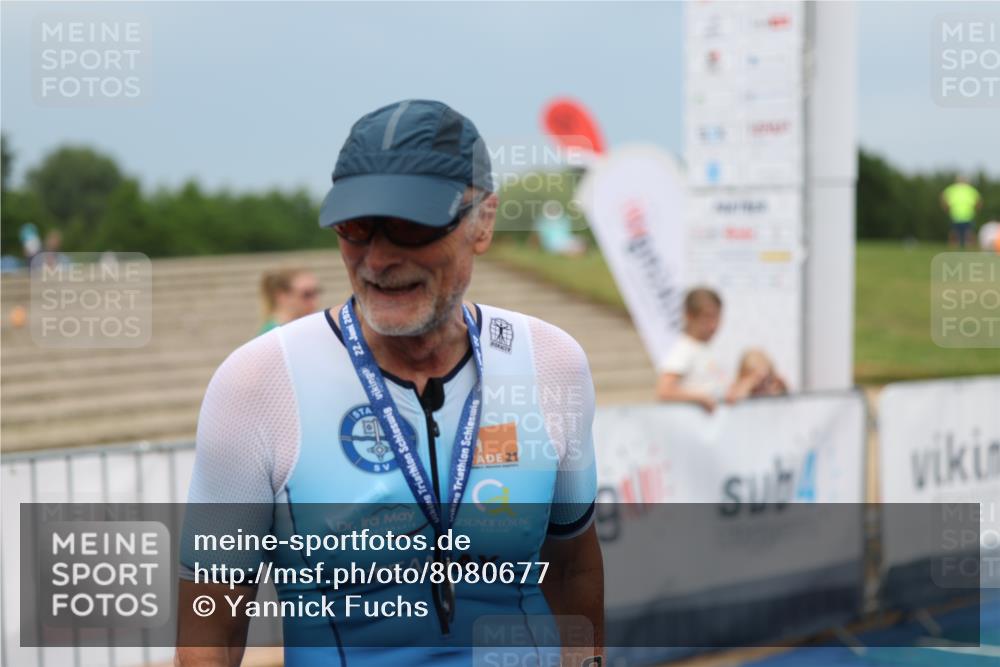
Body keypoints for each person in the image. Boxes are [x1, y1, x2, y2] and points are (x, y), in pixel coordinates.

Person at [177, 100, 603, 667]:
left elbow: (572, 569)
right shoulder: (256, 384)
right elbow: (211, 635)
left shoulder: (550, 361)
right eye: (355, 228)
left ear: (483, 221)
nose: (377, 259)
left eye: (410, 226)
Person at [655, 287, 728, 411]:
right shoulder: (683, 350)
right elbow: (664, 391)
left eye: (716, 317)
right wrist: (701, 398)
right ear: (689, 316)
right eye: (707, 317)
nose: (713, 325)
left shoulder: (705, 349)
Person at [257, 267, 321, 335]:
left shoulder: (301, 328)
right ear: (282, 296)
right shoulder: (273, 334)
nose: (314, 301)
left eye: (316, 292)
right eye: (307, 294)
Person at [941, 175, 983, 249]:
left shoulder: (970, 189)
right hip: (956, 214)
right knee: (955, 232)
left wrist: (976, 209)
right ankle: (953, 247)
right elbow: (943, 197)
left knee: (968, 232)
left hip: (968, 215)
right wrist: (946, 207)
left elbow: (978, 201)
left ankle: (970, 247)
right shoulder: (952, 189)